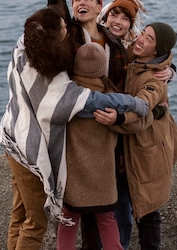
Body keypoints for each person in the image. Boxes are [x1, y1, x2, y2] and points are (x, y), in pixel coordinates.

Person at [43, 0, 174, 249]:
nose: (81, 2)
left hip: (112, 130)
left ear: (99, 6)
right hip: (80, 131)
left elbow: (145, 66)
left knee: (113, 204)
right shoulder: (70, 35)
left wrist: (170, 67)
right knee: (81, 205)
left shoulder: (117, 45)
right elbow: (55, 3)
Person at [0, 6, 150, 250]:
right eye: (62, 30)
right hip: (26, 148)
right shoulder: (51, 81)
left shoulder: (24, 46)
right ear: (51, 39)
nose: (67, 32)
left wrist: (162, 65)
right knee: (35, 221)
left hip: (10, 136)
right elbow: (89, 101)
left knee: (20, 214)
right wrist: (133, 102)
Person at [95, 22, 177, 250]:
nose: (141, 39)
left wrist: (118, 118)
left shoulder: (156, 79)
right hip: (132, 146)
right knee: (124, 201)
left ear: (156, 50)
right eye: (143, 33)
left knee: (146, 208)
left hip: (148, 145)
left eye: (149, 39)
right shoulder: (133, 57)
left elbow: (143, 107)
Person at [57, 42, 136, 250]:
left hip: (74, 173)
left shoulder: (68, 95)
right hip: (103, 173)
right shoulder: (111, 97)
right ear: (103, 67)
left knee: (69, 220)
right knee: (107, 218)